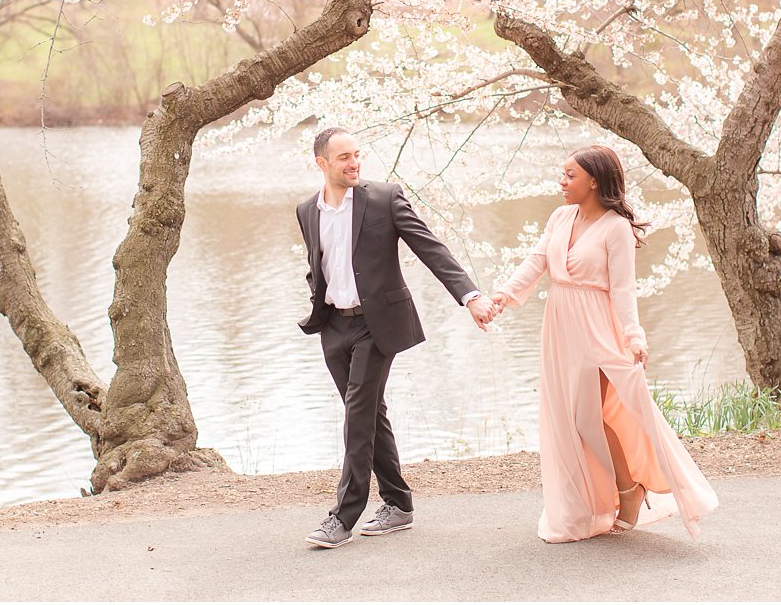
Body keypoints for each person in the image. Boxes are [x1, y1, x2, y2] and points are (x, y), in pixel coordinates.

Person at [488, 144, 718, 543]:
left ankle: (629, 491)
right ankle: (593, 501)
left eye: (570, 175)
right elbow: (536, 261)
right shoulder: (560, 217)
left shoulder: (616, 228)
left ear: (593, 181)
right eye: (562, 174)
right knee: (567, 418)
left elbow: (624, 289)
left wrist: (634, 336)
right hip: (560, 324)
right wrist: (502, 297)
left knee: (586, 417)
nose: (562, 182)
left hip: (598, 327)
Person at [296, 127, 497, 549]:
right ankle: (399, 503)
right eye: (343, 158)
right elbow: (320, 264)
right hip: (333, 326)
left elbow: (430, 247)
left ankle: (343, 516)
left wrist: (470, 296)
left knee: (357, 411)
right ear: (321, 164)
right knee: (369, 411)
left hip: (377, 324)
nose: (354, 163)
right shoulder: (307, 210)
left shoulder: (384, 198)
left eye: (357, 155)